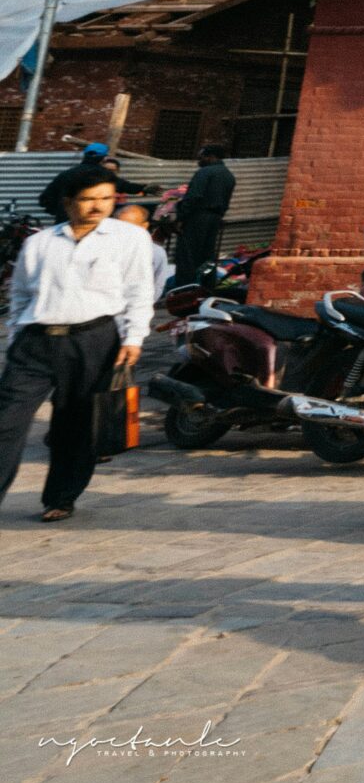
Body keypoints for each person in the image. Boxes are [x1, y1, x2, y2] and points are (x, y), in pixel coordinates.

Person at [0, 170, 155, 521]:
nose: (97, 206)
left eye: (105, 197)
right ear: (68, 202)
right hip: (35, 341)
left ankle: (61, 497)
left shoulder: (128, 238)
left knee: (77, 423)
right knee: (6, 420)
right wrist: (16, 336)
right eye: (88, 199)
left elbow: (139, 291)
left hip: (93, 339)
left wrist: (134, 338)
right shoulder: (40, 243)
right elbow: (21, 292)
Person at [170, 144, 236, 281]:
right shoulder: (229, 175)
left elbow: (194, 197)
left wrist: (180, 218)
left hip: (197, 217)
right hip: (215, 219)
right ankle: (206, 285)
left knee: (187, 255)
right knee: (207, 255)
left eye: (201, 157)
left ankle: (184, 288)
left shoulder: (205, 172)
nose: (199, 161)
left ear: (210, 157)